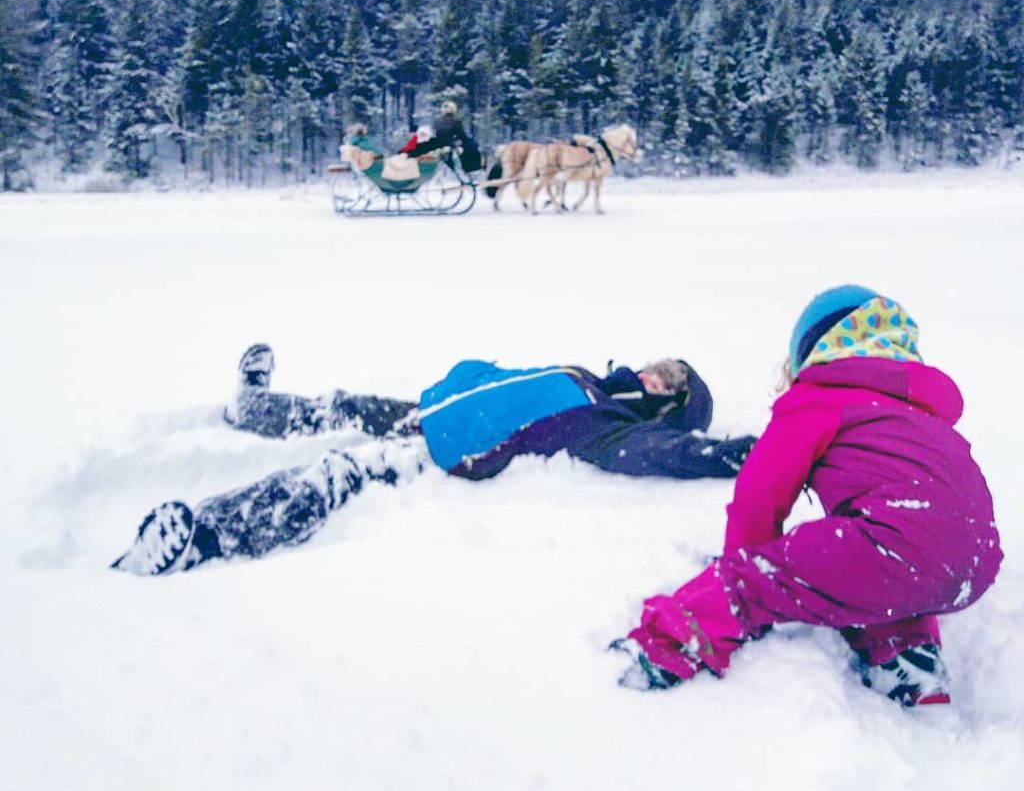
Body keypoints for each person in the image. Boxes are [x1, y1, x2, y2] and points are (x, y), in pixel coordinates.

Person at [612, 285, 1003, 707]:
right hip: (974, 567)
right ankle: (905, 652)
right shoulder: (915, 413)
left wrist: (746, 564)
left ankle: (665, 648)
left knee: (770, 576)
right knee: (867, 572)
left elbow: (760, 496)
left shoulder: (818, 398)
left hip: (895, 545)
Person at [112, 345, 756, 577]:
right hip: (439, 415)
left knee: (338, 472)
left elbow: (668, 456)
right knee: (344, 407)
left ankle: (205, 536)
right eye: (662, 362)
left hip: (447, 457)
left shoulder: (610, 427)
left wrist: (750, 453)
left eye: (668, 379)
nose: (652, 370)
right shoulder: (587, 376)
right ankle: (254, 409)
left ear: (668, 405)